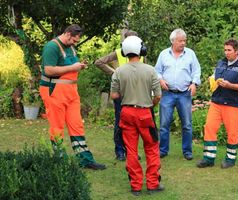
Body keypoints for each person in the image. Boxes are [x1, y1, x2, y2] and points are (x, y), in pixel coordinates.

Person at [39, 24, 106, 170]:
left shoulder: (70, 47)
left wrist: (79, 66)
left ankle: (85, 160)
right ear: (68, 34)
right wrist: (73, 67)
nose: (76, 43)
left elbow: (68, 66)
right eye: (75, 40)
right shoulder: (52, 47)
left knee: (77, 125)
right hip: (54, 91)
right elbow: (48, 70)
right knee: (57, 127)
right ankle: (59, 161)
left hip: (71, 92)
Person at [110, 35, 164, 196]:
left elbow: (114, 95)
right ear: (140, 51)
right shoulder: (150, 70)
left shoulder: (118, 71)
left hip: (126, 113)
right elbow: (158, 96)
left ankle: (136, 186)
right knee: (152, 148)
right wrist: (149, 105)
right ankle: (153, 184)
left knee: (131, 150)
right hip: (145, 113)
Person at [196, 38, 238, 169]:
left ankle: (230, 160)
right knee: (209, 127)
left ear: (236, 51)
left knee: (232, 132)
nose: (226, 53)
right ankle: (208, 158)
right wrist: (212, 80)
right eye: (225, 50)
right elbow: (214, 76)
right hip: (216, 102)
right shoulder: (220, 63)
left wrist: (229, 85)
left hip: (233, 104)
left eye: (229, 50)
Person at [94, 30, 145, 161]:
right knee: (120, 122)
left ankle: (131, 151)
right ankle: (119, 151)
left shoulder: (142, 54)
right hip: (122, 93)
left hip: (136, 93)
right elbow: (98, 62)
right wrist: (114, 73)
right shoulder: (118, 53)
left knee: (134, 124)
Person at [155, 28, 201, 160]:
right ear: (173, 41)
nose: (183, 43)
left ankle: (187, 151)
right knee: (164, 124)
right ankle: (163, 150)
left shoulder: (190, 54)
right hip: (167, 93)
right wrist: (160, 79)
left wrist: (194, 83)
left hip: (184, 94)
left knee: (186, 124)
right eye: (180, 41)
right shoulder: (164, 54)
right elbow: (156, 71)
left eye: (184, 41)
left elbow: (196, 70)